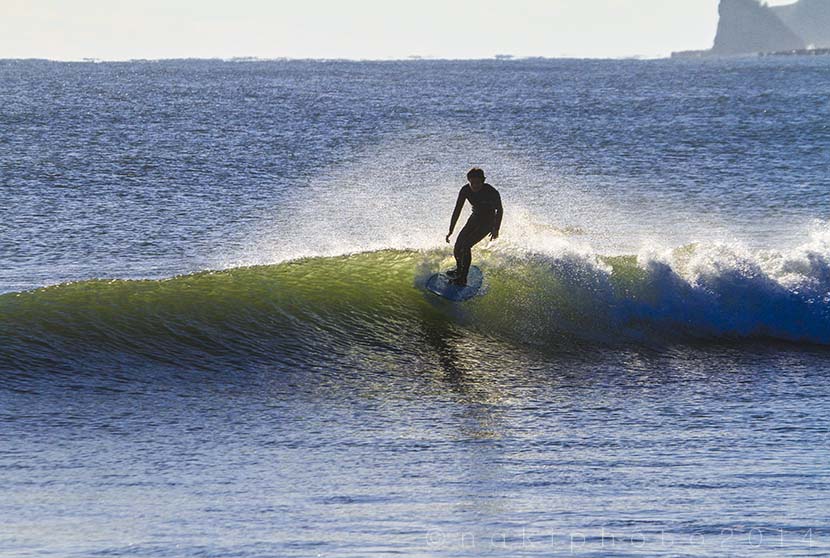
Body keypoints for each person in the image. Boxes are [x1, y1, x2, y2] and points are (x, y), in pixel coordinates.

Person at [445, 168, 503, 286]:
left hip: (488, 221)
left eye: (478, 183)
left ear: (483, 181)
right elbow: (457, 210)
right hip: (474, 218)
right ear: (469, 181)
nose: (475, 186)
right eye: (472, 183)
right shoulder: (465, 190)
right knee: (458, 245)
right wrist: (451, 229)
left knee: (466, 246)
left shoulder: (491, 191)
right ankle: (459, 269)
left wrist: (496, 228)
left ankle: (463, 278)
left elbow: (500, 209)